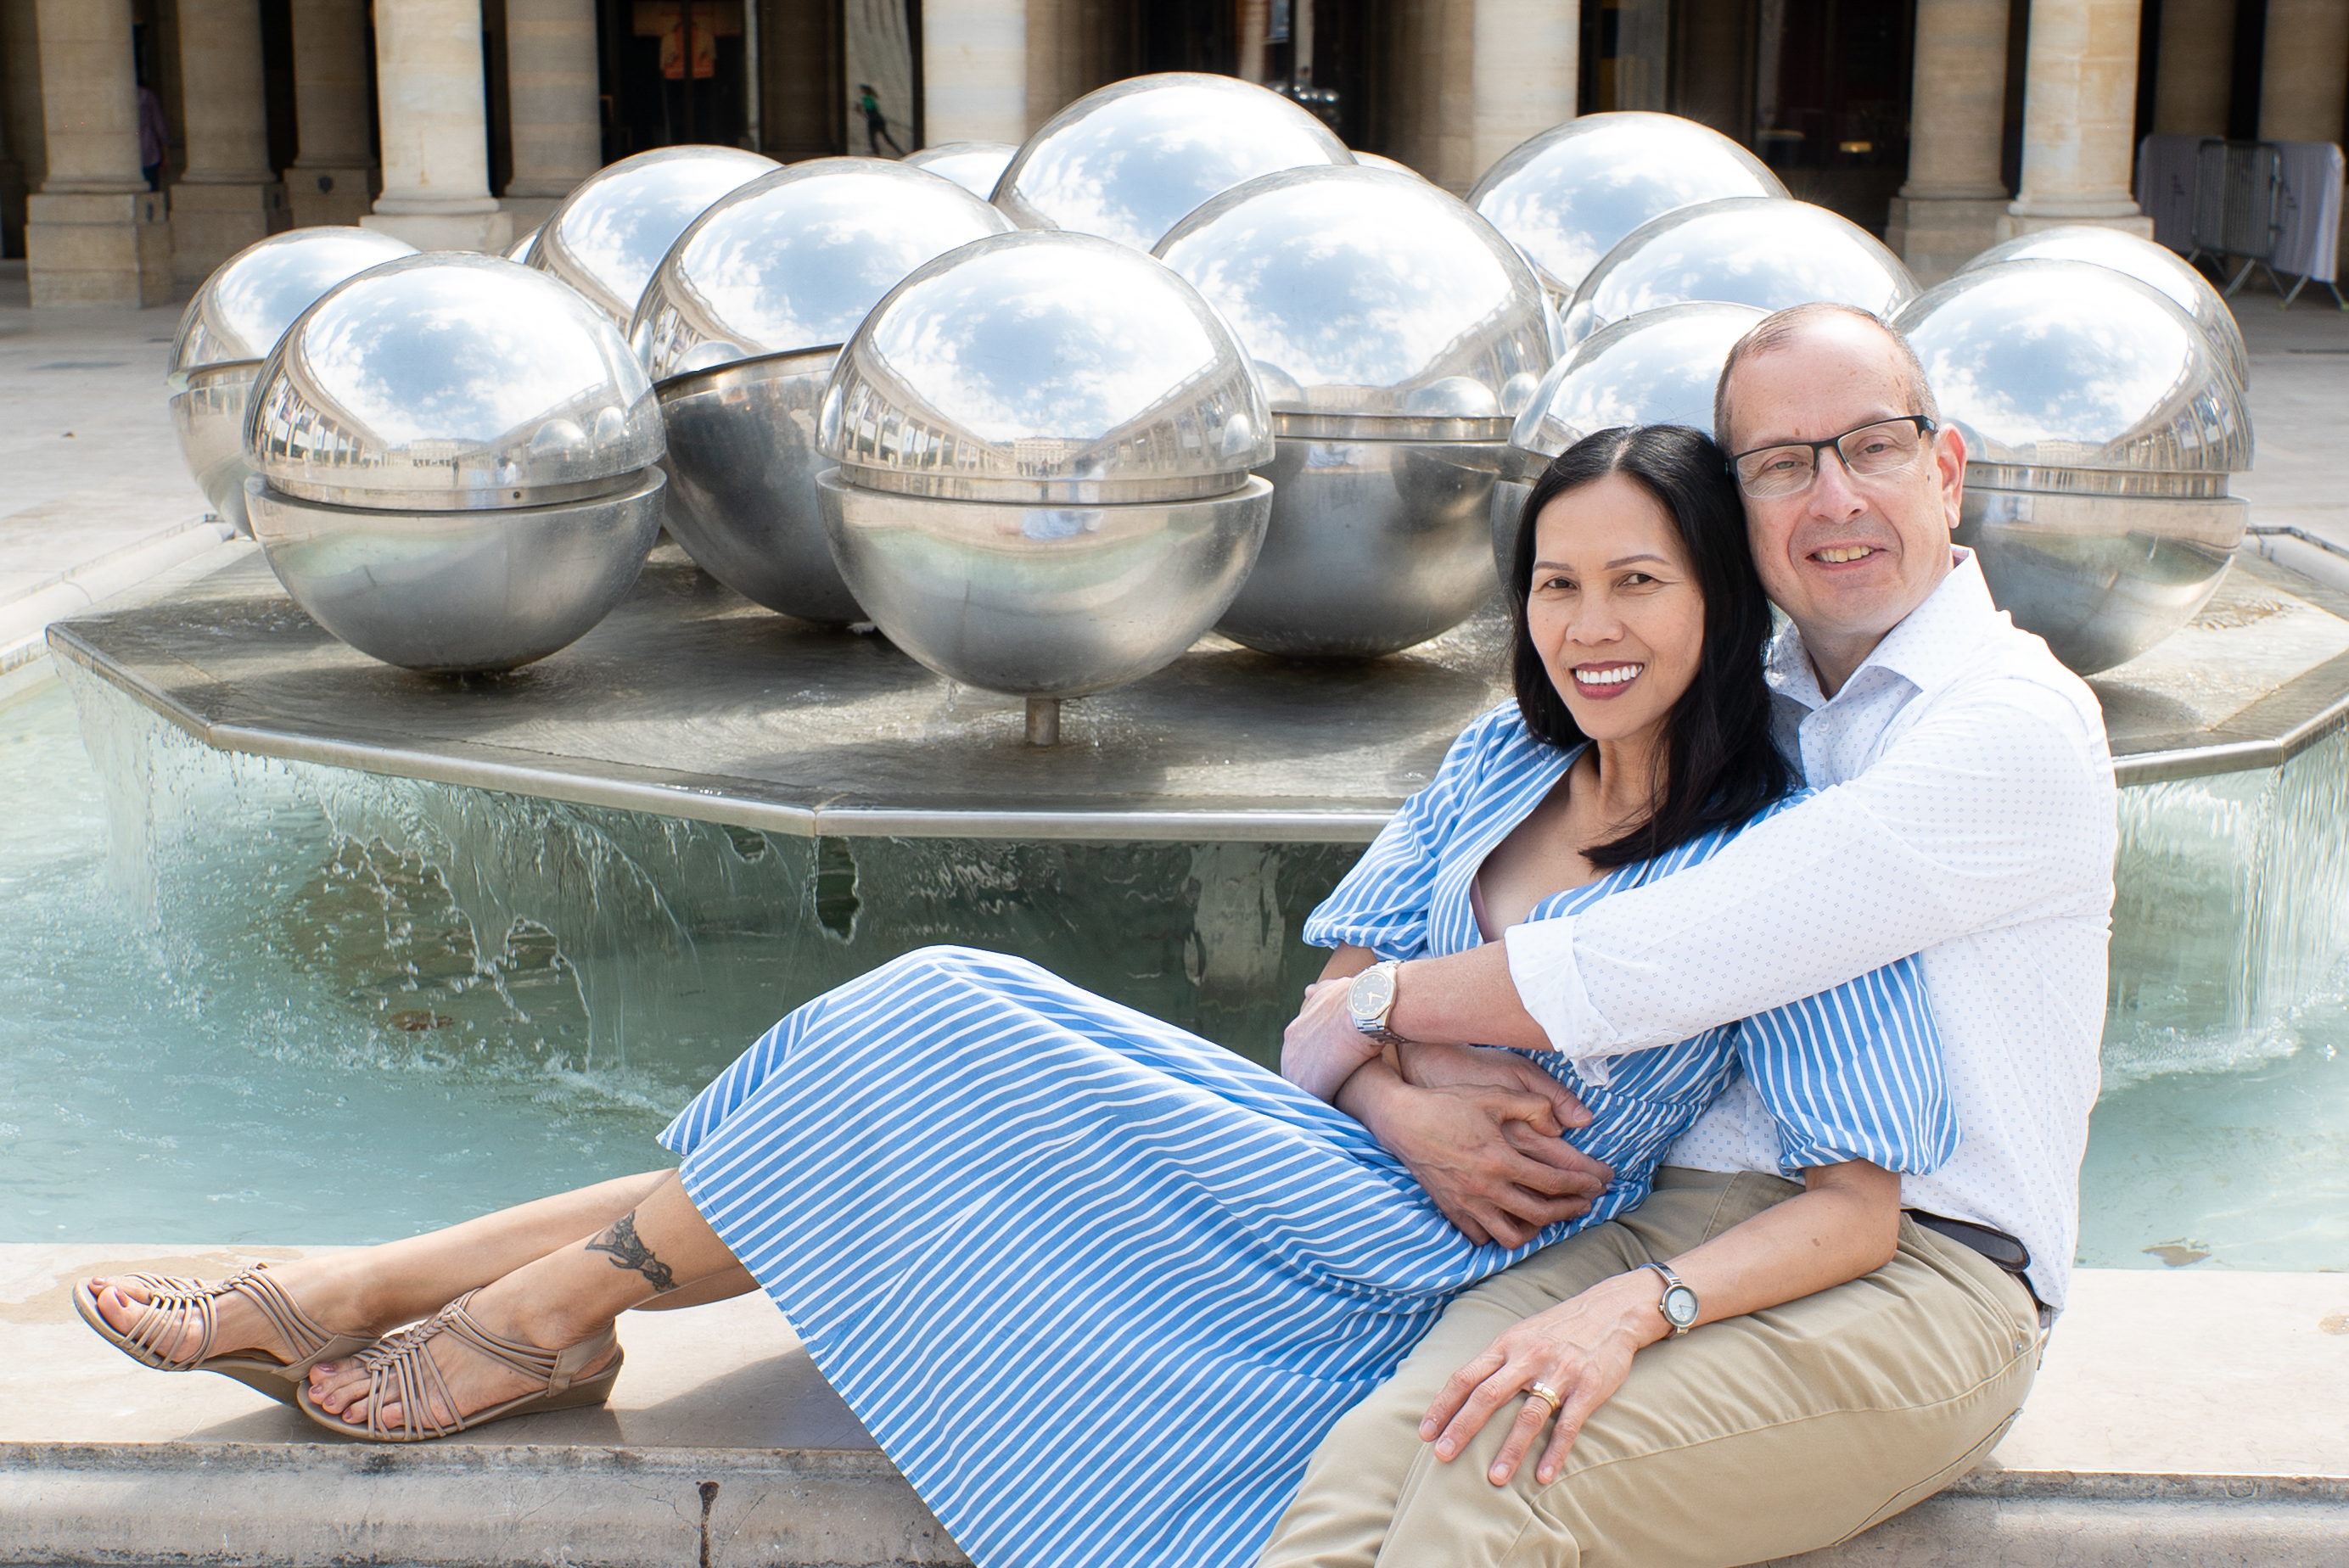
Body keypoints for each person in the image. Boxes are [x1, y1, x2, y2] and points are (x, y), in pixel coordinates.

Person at [77, 427, 1953, 1568]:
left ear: (1716, 596)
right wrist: (1403, 1098)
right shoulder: (1501, 759)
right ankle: (411, 1294)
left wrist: (1635, 1301)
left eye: (1636, 581)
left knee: (927, 1028)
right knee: (914, 1044)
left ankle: (493, 1302)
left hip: (1408, 1274)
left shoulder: (1779, 849)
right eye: (1555, 584)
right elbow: (1338, 999)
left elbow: (1855, 1195)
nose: (1588, 627)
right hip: (1323, 1158)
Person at [1258, 303, 2116, 1568]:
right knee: (1366, 1478)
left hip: (1927, 1271)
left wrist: (1369, 1013)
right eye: (1780, 465)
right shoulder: (1749, 708)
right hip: (1670, 1218)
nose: (1831, 499)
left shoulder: (2010, 728)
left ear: (1946, 469)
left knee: (1505, 1482)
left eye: (1871, 448)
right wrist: (1394, 1084)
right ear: (1743, 516)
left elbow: (1659, 957)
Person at [858, 83, 904, 157]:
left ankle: (876, 152)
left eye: (862, 89)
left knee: (872, 137)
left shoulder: (866, 98)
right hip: (878, 119)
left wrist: (860, 108)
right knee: (886, 137)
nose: (860, 91)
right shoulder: (871, 97)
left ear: (865, 90)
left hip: (873, 120)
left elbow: (869, 108)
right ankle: (899, 151)